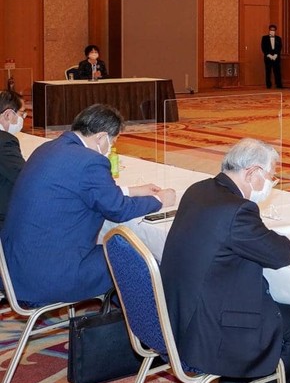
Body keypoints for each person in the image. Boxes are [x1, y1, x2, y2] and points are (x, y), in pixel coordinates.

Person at [160, 139, 290, 383]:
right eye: (270, 176)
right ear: (252, 172)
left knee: (260, 300)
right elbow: (280, 254)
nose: (270, 184)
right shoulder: (237, 210)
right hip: (209, 330)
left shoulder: (199, 190)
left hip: (180, 313)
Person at [0, 104, 173, 305]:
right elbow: (118, 209)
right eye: (113, 141)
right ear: (101, 137)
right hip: (48, 277)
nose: (111, 147)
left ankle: (113, 314)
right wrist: (159, 200)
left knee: (113, 250)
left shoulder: (48, 148)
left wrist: (132, 190)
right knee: (136, 259)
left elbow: (85, 190)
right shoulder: (90, 161)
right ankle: (143, 322)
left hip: (14, 268)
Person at [0, 90, 26, 229]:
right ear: (8, 114)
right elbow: (23, 177)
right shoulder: (5, 141)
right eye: (22, 114)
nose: (23, 119)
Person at [261, 24, 283, 89]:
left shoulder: (278, 38)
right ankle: (268, 85)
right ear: (269, 30)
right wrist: (269, 55)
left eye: (273, 30)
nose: (272, 31)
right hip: (268, 56)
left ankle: (278, 84)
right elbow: (263, 47)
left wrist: (276, 55)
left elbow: (279, 47)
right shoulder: (264, 38)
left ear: (275, 31)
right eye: (271, 30)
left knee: (277, 71)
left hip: (276, 57)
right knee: (268, 71)